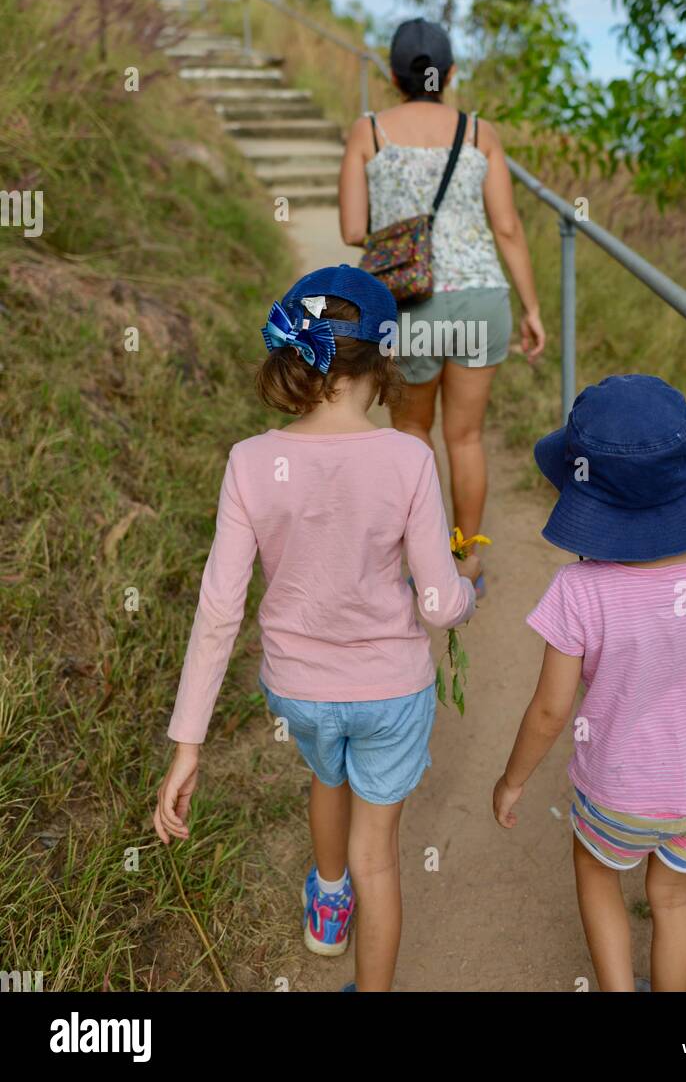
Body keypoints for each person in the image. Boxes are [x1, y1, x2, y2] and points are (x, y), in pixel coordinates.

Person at [154, 264, 479, 993]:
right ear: (383, 360)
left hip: (298, 690)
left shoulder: (249, 461)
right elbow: (435, 601)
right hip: (391, 693)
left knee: (324, 770)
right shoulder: (407, 456)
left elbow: (219, 610)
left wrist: (187, 744)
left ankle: (328, 902)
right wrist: (465, 598)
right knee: (381, 858)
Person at [493, 374, 686, 992]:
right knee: (675, 901)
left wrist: (513, 780)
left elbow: (549, 711)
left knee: (597, 875)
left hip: (617, 790)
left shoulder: (580, 589)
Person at [339, 17, 545, 596]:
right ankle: (466, 565)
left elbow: (355, 228)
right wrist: (531, 307)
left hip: (408, 306)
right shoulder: (480, 132)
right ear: (449, 74)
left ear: (392, 76)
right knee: (467, 438)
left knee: (410, 432)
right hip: (481, 300)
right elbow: (506, 227)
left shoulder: (368, 131)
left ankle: (419, 564)